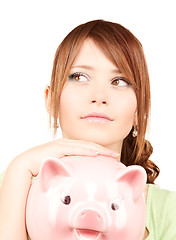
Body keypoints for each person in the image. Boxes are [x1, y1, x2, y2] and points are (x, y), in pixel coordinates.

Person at [0, 19, 176, 240]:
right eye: (79, 77)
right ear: (51, 100)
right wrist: (20, 168)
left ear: (139, 111)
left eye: (120, 81)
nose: (99, 96)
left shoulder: (169, 212)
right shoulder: (12, 184)